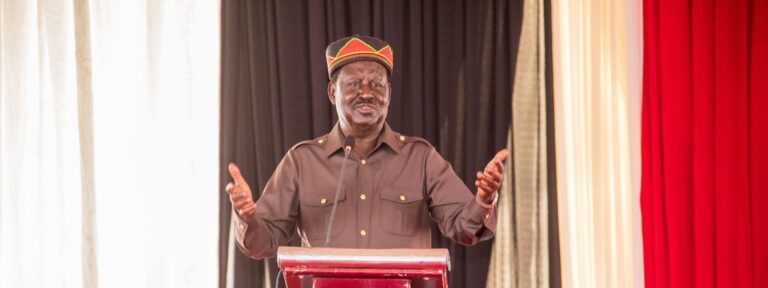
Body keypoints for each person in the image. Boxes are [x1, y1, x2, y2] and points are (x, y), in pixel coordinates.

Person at [226, 35, 508, 259]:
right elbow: (260, 245)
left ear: (389, 93)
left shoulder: (420, 158)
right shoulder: (302, 161)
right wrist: (248, 216)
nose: (366, 93)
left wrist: (483, 198)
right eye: (353, 84)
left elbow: (465, 230)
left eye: (376, 83)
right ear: (332, 92)